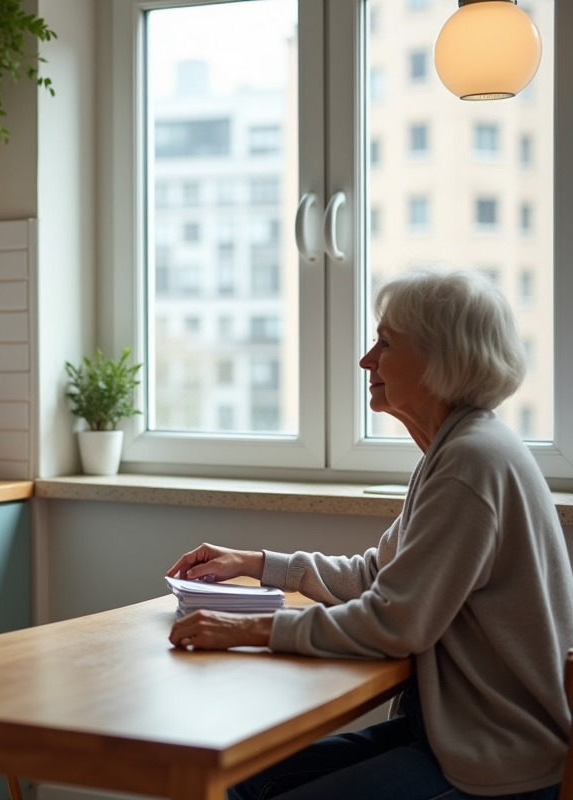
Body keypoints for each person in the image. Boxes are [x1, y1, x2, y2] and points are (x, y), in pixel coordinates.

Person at [167, 269, 572, 800]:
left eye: (385, 342)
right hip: (455, 737)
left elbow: (396, 621)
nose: (366, 360)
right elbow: (378, 577)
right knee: (233, 783)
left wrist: (252, 629)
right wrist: (255, 561)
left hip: (499, 764)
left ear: (440, 357)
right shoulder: (457, 449)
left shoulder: (471, 463)